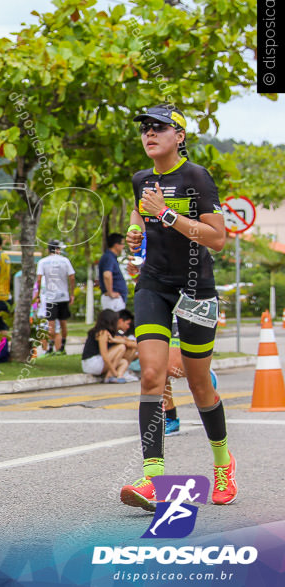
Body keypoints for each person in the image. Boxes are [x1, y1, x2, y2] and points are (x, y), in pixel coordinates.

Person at [120, 104, 235, 510]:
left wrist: (165, 215)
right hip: (153, 284)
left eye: (159, 128)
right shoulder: (141, 179)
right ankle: (152, 477)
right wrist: (136, 231)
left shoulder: (196, 177)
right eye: (145, 129)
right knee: (151, 373)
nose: (149, 134)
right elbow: (139, 209)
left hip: (195, 288)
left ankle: (223, 462)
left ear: (179, 136)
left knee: (199, 384)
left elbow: (217, 238)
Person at [34, 240, 76, 354]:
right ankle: (62, 347)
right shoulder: (65, 261)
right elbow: (72, 277)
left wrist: (37, 296)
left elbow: (38, 279)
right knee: (63, 323)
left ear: (48, 249)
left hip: (50, 297)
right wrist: (72, 293)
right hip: (63, 296)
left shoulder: (43, 262)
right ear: (58, 249)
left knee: (51, 324)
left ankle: (50, 348)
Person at [80, 309, 131, 383]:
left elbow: (125, 341)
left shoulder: (106, 332)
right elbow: (105, 356)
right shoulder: (102, 333)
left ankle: (119, 376)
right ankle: (110, 376)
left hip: (91, 363)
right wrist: (113, 371)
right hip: (92, 363)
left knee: (124, 362)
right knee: (121, 347)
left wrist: (114, 340)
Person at [99, 233, 129, 312]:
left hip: (116, 299)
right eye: (122, 244)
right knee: (114, 322)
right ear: (116, 245)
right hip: (112, 299)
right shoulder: (109, 257)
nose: (123, 247)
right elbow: (107, 275)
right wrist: (110, 293)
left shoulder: (111, 257)